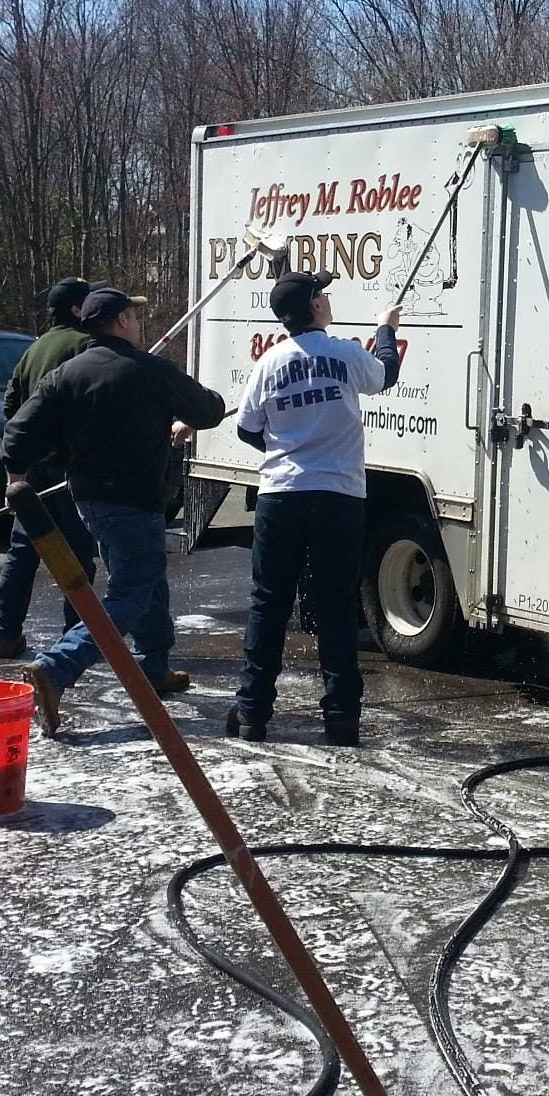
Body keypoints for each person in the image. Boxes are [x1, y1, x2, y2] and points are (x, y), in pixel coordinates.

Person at [2, 287, 227, 737]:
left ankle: (153, 667)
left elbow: (16, 435)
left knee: (146, 579)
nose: (140, 324)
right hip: (135, 502)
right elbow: (208, 410)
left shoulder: (66, 375)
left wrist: (16, 478)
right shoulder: (150, 371)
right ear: (122, 321)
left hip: (89, 502)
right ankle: (54, 668)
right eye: (135, 317)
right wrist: (195, 403)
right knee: (131, 594)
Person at [226, 270, 401, 746]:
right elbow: (385, 373)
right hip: (339, 497)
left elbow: (246, 429)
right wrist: (386, 329)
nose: (326, 298)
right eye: (321, 294)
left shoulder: (269, 363)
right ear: (315, 307)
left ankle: (252, 712)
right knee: (335, 607)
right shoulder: (345, 353)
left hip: (280, 495)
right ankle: (342, 718)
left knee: (268, 605)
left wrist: (287, 446)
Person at [0, 277, 100, 660]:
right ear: (75, 310)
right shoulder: (86, 346)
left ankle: (5, 633)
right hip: (68, 471)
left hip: (32, 470)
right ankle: (76, 637)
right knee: (78, 553)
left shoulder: (34, 349)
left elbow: (11, 406)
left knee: (23, 551)